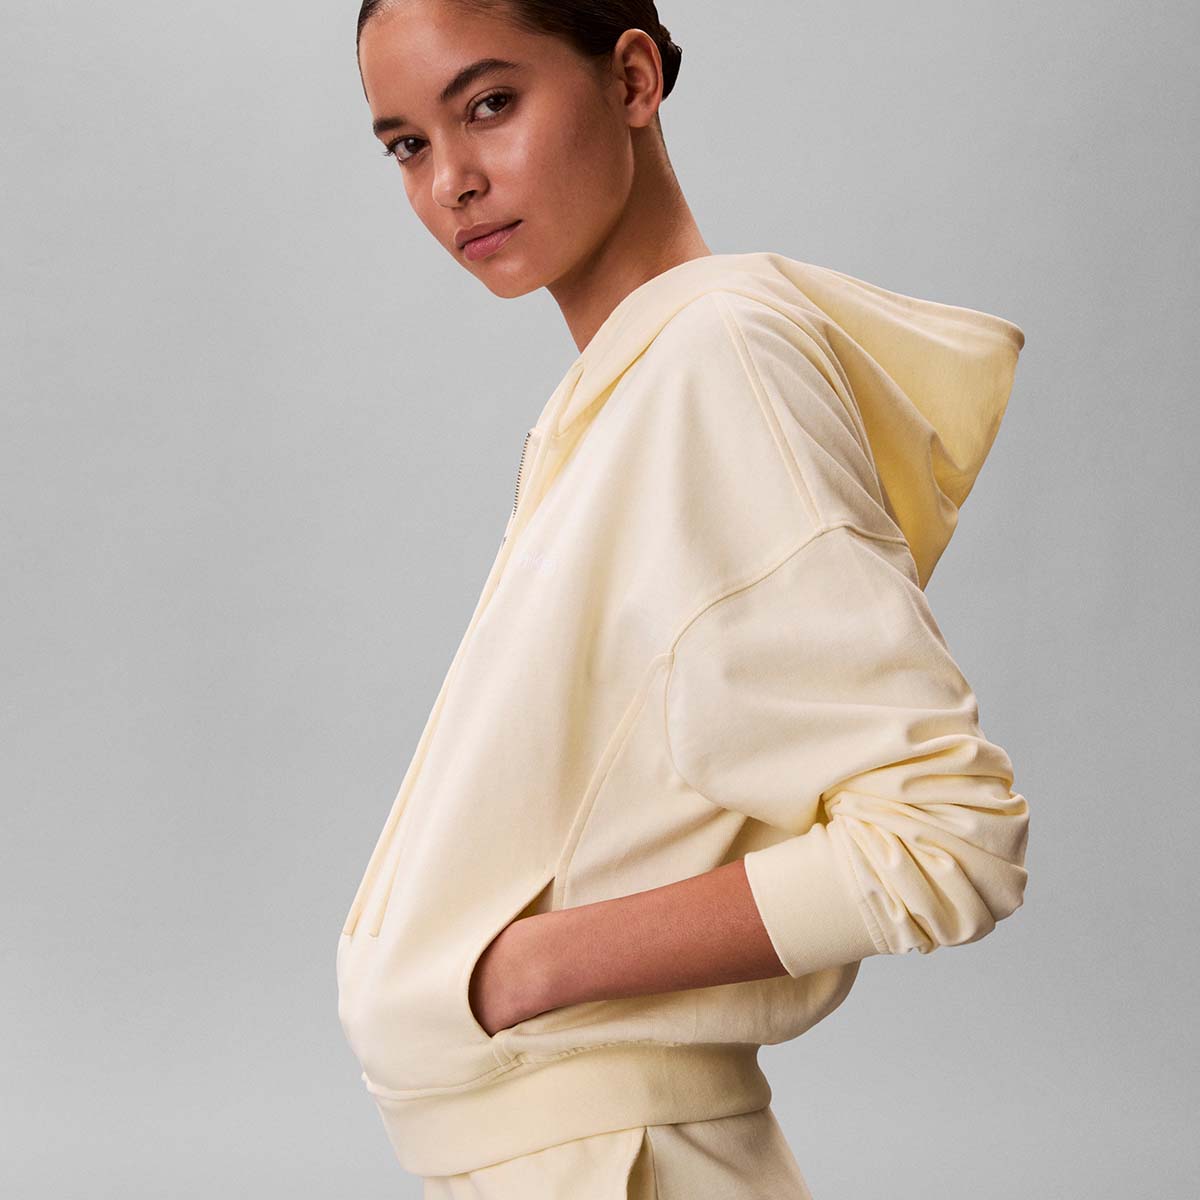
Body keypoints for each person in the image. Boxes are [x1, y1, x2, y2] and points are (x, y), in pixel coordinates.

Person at [336, 2, 1031, 1196]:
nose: (451, 182)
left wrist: (520, 973)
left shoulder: (719, 364)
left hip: (617, 1160)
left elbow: (945, 836)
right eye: (407, 144)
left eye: (490, 105)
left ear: (632, 80)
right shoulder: (627, 392)